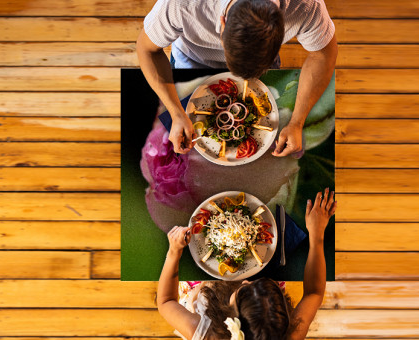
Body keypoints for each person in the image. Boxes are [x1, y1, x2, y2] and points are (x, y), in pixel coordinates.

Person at [137, 0, 338, 156]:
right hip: (192, 61)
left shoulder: (306, 6)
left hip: (264, 70)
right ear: (222, 24)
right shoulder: (180, 5)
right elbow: (146, 49)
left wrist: (296, 123)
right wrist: (176, 113)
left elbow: (324, 54)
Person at [156, 188, 336, 339]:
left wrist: (173, 252)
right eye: (257, 283)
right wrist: (317, 234)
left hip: (207, 293)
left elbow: (165, 301)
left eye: (244, 288)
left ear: (231, 319)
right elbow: (314, 293)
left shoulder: (205, 333)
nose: (246, 281)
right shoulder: (288, 334)